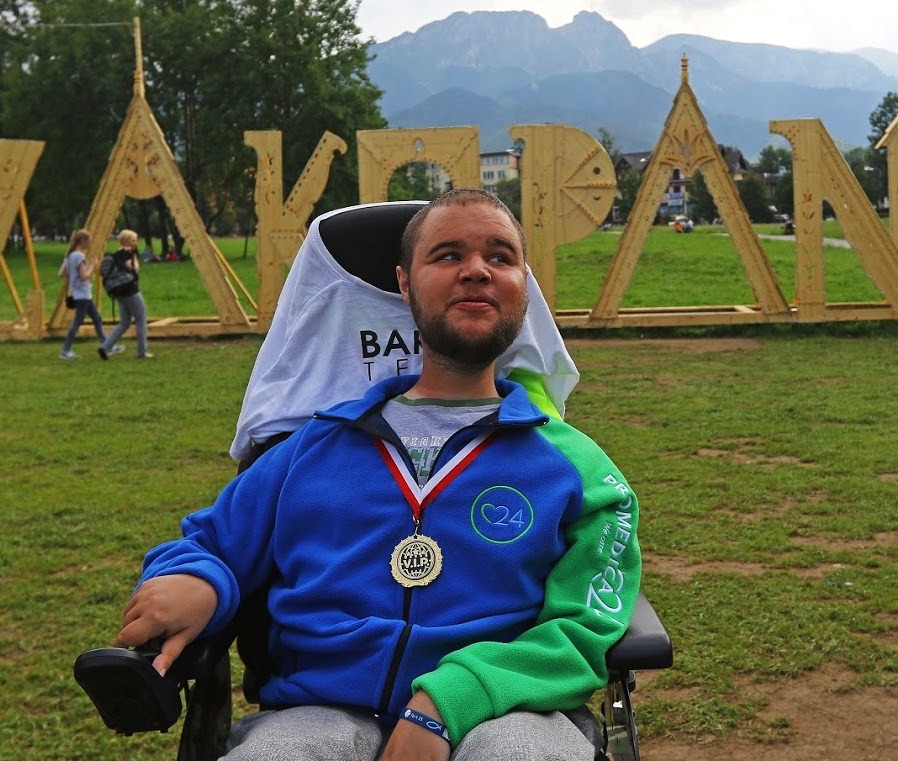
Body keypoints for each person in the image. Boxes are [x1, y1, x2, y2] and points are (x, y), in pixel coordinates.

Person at [115, 189, 641, 761]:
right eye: (447, 255)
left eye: (500, 256)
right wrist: (200, 579)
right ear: (405, 284)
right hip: (320, 709)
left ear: (523, 288)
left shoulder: (579, 470)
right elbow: (209, 541)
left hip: (508, 710)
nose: (476, 271)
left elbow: (585, 625)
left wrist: (448, 700)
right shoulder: (311, 447)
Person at [59, 229, 114, 360]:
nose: (90, 244)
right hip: (82, 294)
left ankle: (106, 345)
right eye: (89, 241)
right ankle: (65, 351)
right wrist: (92, 266)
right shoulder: (79, 256)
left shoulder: (70, 256)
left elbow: (61, 273)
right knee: (77, 323)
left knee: (96, 318)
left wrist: (73, 276)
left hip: (81, 294)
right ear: (82, 241)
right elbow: (85, 276)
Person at [98, 229, 153, 360]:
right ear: (127, 241)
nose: (136, 242)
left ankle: (105, 347)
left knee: (125, 322)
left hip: (118, 291)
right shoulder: (127, 254)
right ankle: (142, 351)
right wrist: (135, 259)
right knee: (140, 319)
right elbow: (134, 269)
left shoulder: (116, 254)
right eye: (134, 240)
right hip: (130, 290)